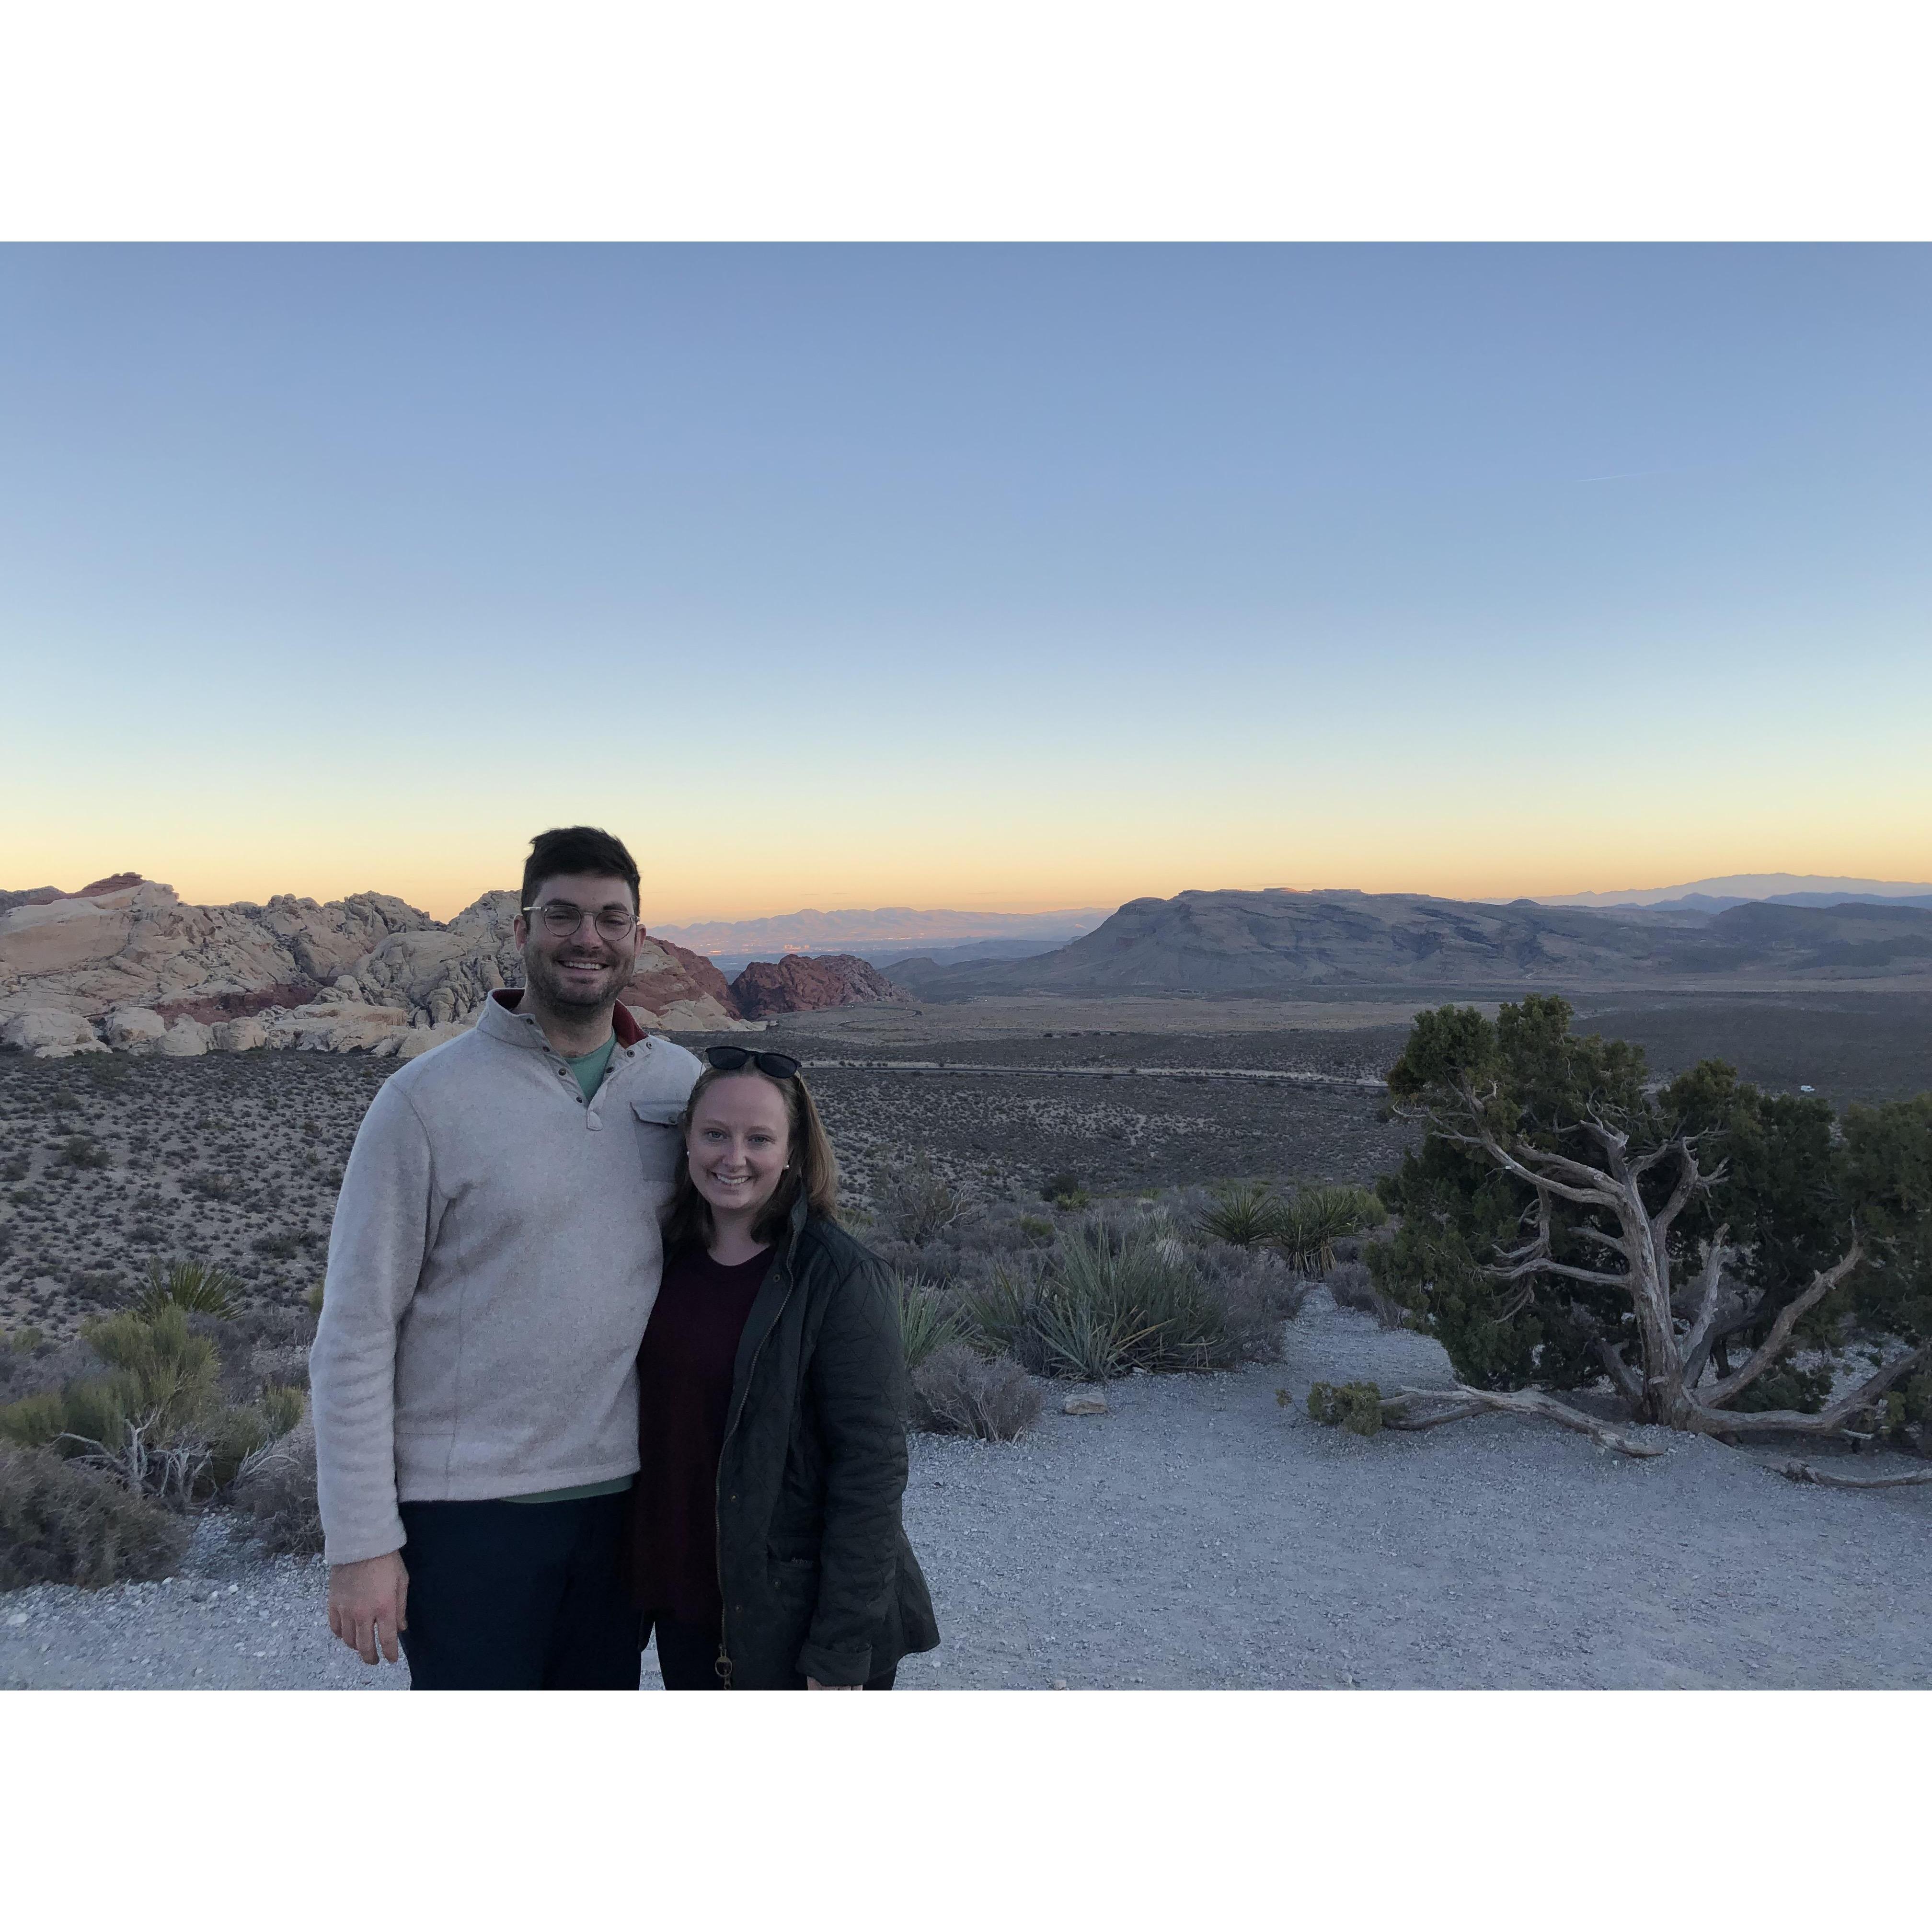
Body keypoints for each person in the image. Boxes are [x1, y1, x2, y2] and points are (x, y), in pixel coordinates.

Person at [311, 825, 701, 1689]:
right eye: (560, 915)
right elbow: (355, 1331)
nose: (586, 939)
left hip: (624, 1506)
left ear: (640, 939)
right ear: (520, 932)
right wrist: (361, 1543)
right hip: (467, 1515)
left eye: (610, 919)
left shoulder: (679, 1089)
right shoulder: (425, 1100)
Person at [629, 1046, 939, 1689]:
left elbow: (872, 1472)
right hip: (691, 1607)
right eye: (715, 1134)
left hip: (795, 1616)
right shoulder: (664, 1258)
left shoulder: (840, 1278)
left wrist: (838, 1650)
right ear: (686, 1140)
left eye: (759, 1139)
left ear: (794, 1151)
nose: (733, 1158)